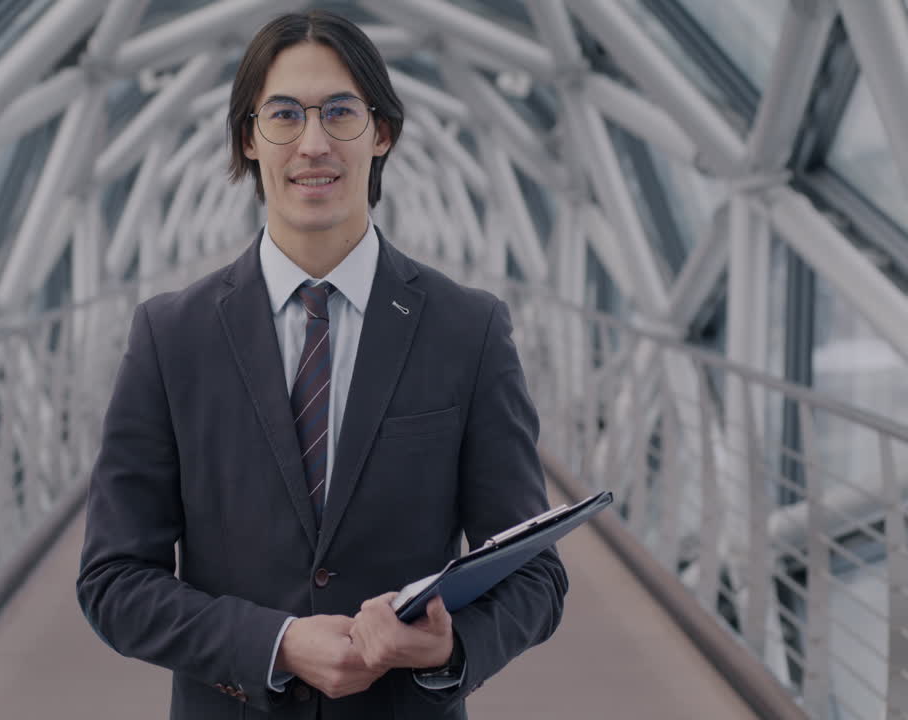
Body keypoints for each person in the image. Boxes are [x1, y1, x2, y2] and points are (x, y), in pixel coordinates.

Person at [76, 10, 567, 719]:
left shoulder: (469, 330)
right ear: (249, 138)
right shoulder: (170, 336)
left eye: (340, 112)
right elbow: (113, 580)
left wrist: (452, 646)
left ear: (381, 132)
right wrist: (274, 645)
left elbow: (535, 574)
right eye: (284, 115)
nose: (313, 143)